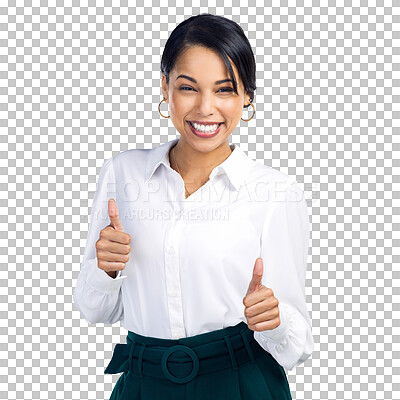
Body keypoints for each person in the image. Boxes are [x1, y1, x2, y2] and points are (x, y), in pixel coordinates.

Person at [73, 13, 314, 400]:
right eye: (188, 88)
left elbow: (296, 346)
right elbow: (95, 310)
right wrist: (106, 269)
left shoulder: (274, 191)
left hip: (240, 381)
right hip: (143, 383)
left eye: (224, 90)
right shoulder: (124, 174)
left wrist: (274, 320)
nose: (205, 108)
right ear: (166, 87)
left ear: (246, 97)